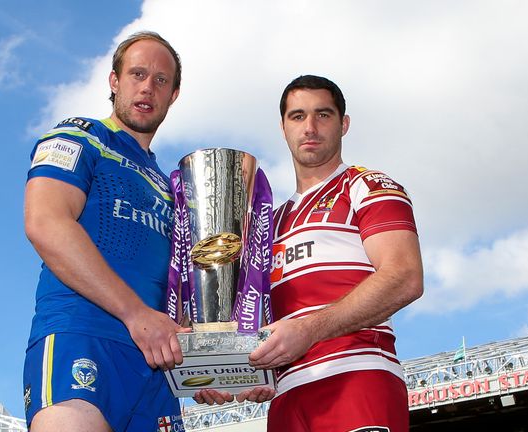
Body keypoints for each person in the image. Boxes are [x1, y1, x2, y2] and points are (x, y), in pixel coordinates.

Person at [195, 75, 423, 432]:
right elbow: (255, 319)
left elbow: (404, 277)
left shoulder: (367, 185)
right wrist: (233, 369)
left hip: (355, 377)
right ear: (283, 127)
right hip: (286, 398)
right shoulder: (269, 222)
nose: (310, 127)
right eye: (298, 116)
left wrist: (308, 330)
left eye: (324, 115)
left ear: (343, 124)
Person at [22, 31, 188, 432]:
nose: (148, 87)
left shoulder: (172, 187)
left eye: (161, 80)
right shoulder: (79, 136)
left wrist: (210, 362)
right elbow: (45, 222)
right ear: (114, 82)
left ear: (173, 95)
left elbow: (182, 283)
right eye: (137, 74)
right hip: (82, 337)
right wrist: (135, 314)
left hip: (158, 364)